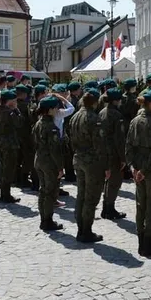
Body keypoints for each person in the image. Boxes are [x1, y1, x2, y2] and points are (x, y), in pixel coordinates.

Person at [125, 88, 151, 257]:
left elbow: (128, 146)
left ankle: (141, 242)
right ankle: (148, 243)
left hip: (138, 169)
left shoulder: (135, 121)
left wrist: (133, 168)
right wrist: (143, 170)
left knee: (140, 205)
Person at [68, 88, 110, 243]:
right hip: (92, 162)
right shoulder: (93, 118)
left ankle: (81, 229)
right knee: (91, 198)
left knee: (81, 195)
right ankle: (86, 231)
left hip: (78, 157)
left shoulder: (75, 116)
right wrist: (105, 166)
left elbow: (70, 139)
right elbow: (99, 145)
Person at [33, 96, 64, 231]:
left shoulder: (38, 123)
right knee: (50, 192)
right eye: (56, 108)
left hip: (39, 159)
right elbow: (54, 150)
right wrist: (60, 167)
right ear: (50, 110)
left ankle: (43, 219)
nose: (57, 110)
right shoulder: (50, 127)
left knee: (43, 191)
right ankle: (48, 221)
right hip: (49, 163)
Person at [99, 88, 127, 221]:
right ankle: (109, 209)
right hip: (114, 153)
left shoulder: (102, 112)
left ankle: (106, 208)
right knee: (114, 182)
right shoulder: (116, 115)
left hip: (104, 151)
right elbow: (119, 139)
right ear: (116, 101)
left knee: (108, 180)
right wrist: (123, 158)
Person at [0, 89, 22, 203]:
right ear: (9, 101)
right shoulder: (9, 112)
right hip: (9, 143)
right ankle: (6, 195)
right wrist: (16, 110)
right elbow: (19, 122)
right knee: (8, 169)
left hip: (1, 141)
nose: (16, 102)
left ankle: (4, 193)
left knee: (3, 168)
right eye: (14, 100)